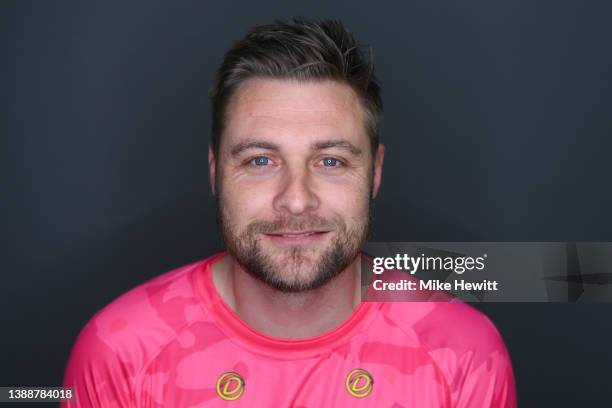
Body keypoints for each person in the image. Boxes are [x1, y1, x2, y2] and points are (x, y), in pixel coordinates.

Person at [62, 18, 516, 407]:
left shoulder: (462, 352)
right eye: (260, 160)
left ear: (375, 173)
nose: (296, 200)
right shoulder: (120, 351)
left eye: (331, 161)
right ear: (216, 172)